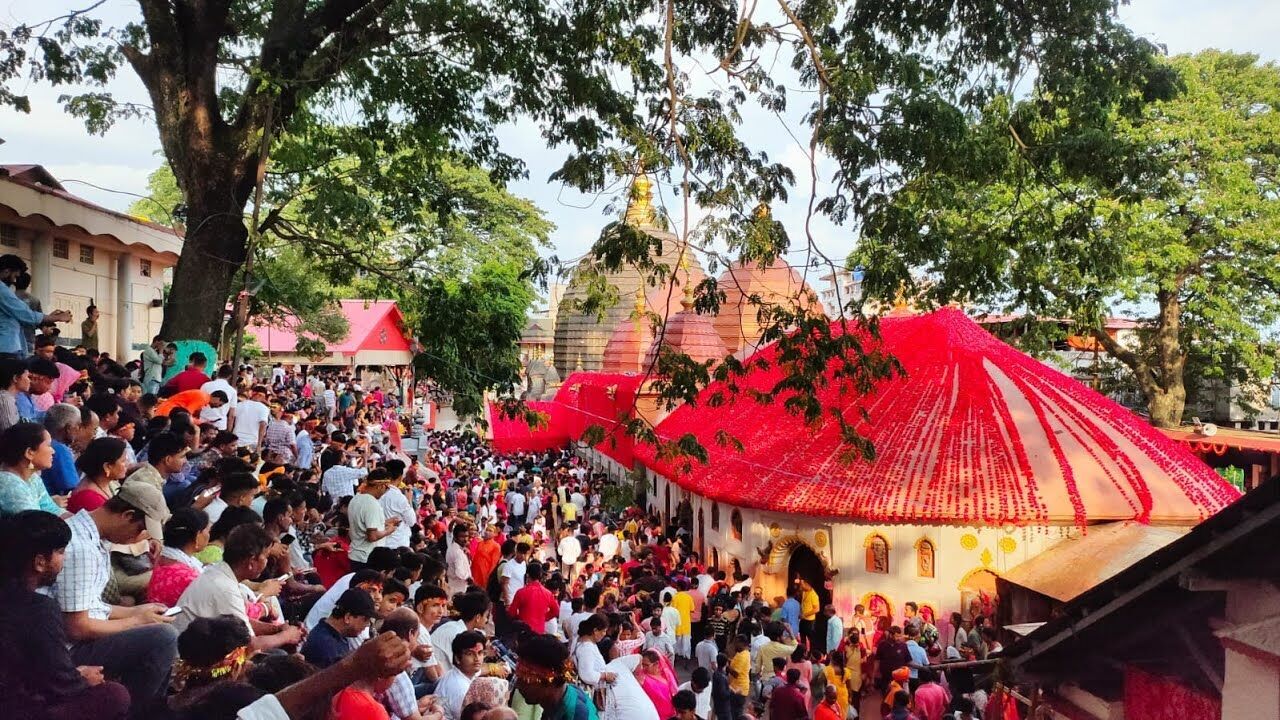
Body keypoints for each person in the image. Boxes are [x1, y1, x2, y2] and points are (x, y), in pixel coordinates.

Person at [47, 482, 178, 717]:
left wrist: (138, 612)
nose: (139, 538)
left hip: (72, 639)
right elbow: (76, 627)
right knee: (163, 637)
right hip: (64, 651)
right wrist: (137, 621)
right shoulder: (81, 548)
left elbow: (90, 606)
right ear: (127, 516)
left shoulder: (92, 538)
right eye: (140, 530)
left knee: (155, 625)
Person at [0, 509, 131, 720]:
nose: (65, 558)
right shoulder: (38, 609)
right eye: (61, 552)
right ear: (40, 562)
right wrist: (82, 677)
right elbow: (61, 685)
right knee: (115, 694)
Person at [172, 523, 305, 653]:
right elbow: (250, 646)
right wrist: (286, 636)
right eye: (265, 556)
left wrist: (278, 630)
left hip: (198, 649)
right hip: (191, 661)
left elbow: (241, 623)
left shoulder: (218, 572)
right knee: (280, 656)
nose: (266, 561)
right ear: (251, 562)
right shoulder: (225, 589)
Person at [0, 254, 71, 358]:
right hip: (6, 347)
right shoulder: (3, 291)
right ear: (6, 272)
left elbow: (21, 317)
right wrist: (57, 317)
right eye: (15, 276)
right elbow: (26, 315)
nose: (14, 281)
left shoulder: (8, 292)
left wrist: (48, 317)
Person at [515, 633, 599, 720]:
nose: (518, 685)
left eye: (526, 680)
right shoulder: (560, 697)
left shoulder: (576, 715)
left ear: (549, 681)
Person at [301, 587, 379, 669]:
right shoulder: (326, 646)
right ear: (348, 617)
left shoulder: (333, 635)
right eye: (365, 620)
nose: (367, 625)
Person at [147, 507, 210, 606]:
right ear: (197, 535)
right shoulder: (190, 577)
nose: (209, 536)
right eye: (207, 531)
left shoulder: (162, 558)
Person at [0, 421, 64, 516]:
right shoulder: (8, 485)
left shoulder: (33, 477)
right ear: (29, 452)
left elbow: (54, 511)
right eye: (49, 445)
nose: (53, 451)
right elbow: (38, 524)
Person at [349, 469, 401, 571]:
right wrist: (389, 530)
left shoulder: (356, 498)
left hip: (356, 555)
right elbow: (372, 536)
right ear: (380, 486)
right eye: (387, 488)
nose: (386, 492)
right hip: (367, 557)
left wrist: (384, 523)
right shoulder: (371, 503)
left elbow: (363, 524)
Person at [435, 629, 488, 720]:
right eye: (470, 654)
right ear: (457, 658)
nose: (477, 659)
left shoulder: (459, 674)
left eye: (480, 653)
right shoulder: (460, 688)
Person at [67, 436, 129, 513]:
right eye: (123, 461)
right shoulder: (89, 498)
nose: (127, 464)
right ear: (107, 466)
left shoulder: (108, 483)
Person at [508, 560, 558, 634]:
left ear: (527, 575)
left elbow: (511, 612)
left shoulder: (521, 592)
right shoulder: (548, 593)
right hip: (539, 631)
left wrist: (519, 617)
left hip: (523, 632)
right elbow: (556, 611)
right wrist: (545, 617)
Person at [41, 403, 81, 495]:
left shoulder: (41, 444)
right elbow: (73, 489)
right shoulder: (59, 449)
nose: (79, 429)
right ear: (68, 428)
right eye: (78, 425)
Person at [637, 648, 678, 720]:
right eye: (642, 664)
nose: (643, 667)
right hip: (653, 715)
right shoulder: (641, 678)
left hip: (670, 714)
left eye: (646, 665)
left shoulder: (665, 675)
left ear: (656, 664)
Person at [199, 364, 238, 430]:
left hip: (203, 422)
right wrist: (229, 431)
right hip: (220, 424)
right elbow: (231, 416)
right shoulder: (232, 391)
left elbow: (199, 405)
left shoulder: (205, 385)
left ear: (218, 373)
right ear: (230, 376)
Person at [232, 385, 271, 450]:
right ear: (262, 396)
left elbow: (232, 418)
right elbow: (263, 425)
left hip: (236, 440)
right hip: (251, 442)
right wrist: (259, 445)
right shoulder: (264, 408)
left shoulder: (239, 404)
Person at [824, 644, 856, 720]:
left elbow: (825, 685)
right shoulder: (846, 671)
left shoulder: (827, 670)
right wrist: (850, 697)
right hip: (843, 696)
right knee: (842, 716)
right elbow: (849, 687)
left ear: (832, 660)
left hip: (832, 696)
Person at [445, 523, 473, 595]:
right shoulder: (457, 552)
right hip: (458, 588)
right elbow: (459, 572)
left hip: (455, 586)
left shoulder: (454, 548)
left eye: (466, 536)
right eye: (462, 537)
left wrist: (468, 556)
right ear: (455, 537)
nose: (465, 539)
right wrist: (468, 578)